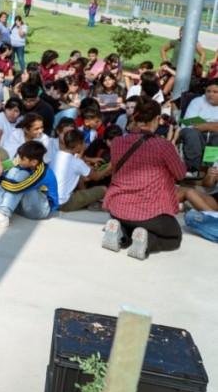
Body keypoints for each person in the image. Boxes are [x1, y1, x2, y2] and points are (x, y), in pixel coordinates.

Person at [102, 99, 186, 260]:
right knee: (175, 237)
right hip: (150, 213)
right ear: (156, 119)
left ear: (134, 117)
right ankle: (147, 241)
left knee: (130, 222)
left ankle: (121, 233)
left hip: (117, 209)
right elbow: (180, 174)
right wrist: (173, 145)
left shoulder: (117, 142)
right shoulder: (163, 146)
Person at [0, 141, 59, 229]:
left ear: (34, 162)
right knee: (13, 171)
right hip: (20, 207)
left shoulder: (42, 172)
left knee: (22, 175)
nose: (18, 160)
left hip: (39, 211)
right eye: (19, 157)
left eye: (22, 159)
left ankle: (2, 215)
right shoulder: (20, 164)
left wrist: (2, 178)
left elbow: (16, 188)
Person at [52, 129, 111, 212]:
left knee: (79, 179)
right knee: (104, 189)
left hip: (52, 200)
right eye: (83, 143)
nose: (85, 145)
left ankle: (86, 200)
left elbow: (80, 176)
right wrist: (110, 165)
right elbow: (97, 177)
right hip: (64, 203)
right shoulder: (77, 162)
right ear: (78, 146)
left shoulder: (56, 154)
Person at [178, 78, 218, 177]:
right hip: (193, 131)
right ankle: (193, 167)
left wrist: (206, 126)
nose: (210, 94)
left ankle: (211, 168)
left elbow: (200, 124)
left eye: (215, 92)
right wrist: (213, 125)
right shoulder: (197, 101)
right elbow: (190, 123)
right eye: (208, 91)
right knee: (193, 134)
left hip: (213, 134)